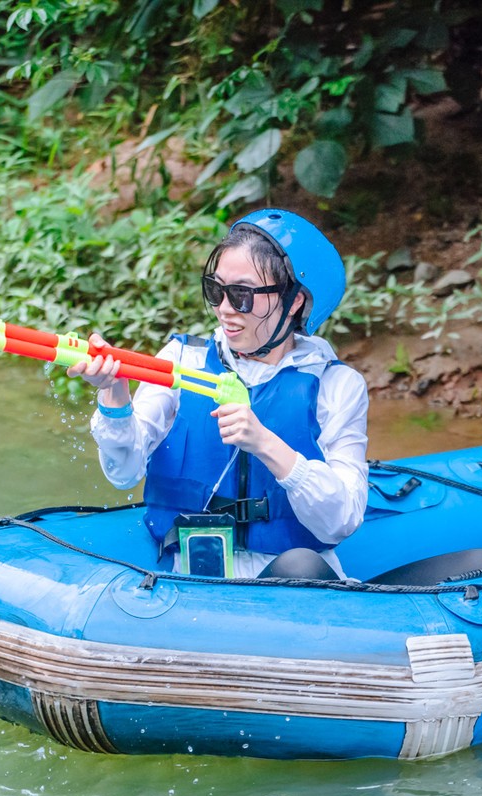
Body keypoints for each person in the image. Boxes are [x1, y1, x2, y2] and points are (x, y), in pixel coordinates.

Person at [69, 209, 369, 580]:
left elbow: (341, 521)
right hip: (189, 580)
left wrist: (265, 444)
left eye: (242, 295)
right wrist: (115, 397)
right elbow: (124, 474)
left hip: (293, 585)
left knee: (300, 564)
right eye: (216, 290)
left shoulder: (337, 385)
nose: (224, 309)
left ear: (293, 302)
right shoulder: (181, 360)